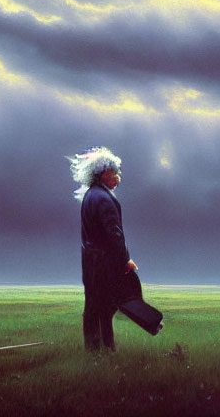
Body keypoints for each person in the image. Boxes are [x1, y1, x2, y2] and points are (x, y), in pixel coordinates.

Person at [69, 146, 139, 352]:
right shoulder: (105, 199)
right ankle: (108, 348)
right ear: (104, 173)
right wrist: (125, 260)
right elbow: (114, 234)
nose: (118, 178)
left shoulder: (90, 196)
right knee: (107, 308)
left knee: (93, 306)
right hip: (105, 264)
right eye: (115, 173)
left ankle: (93, 351)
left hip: (90, 262)